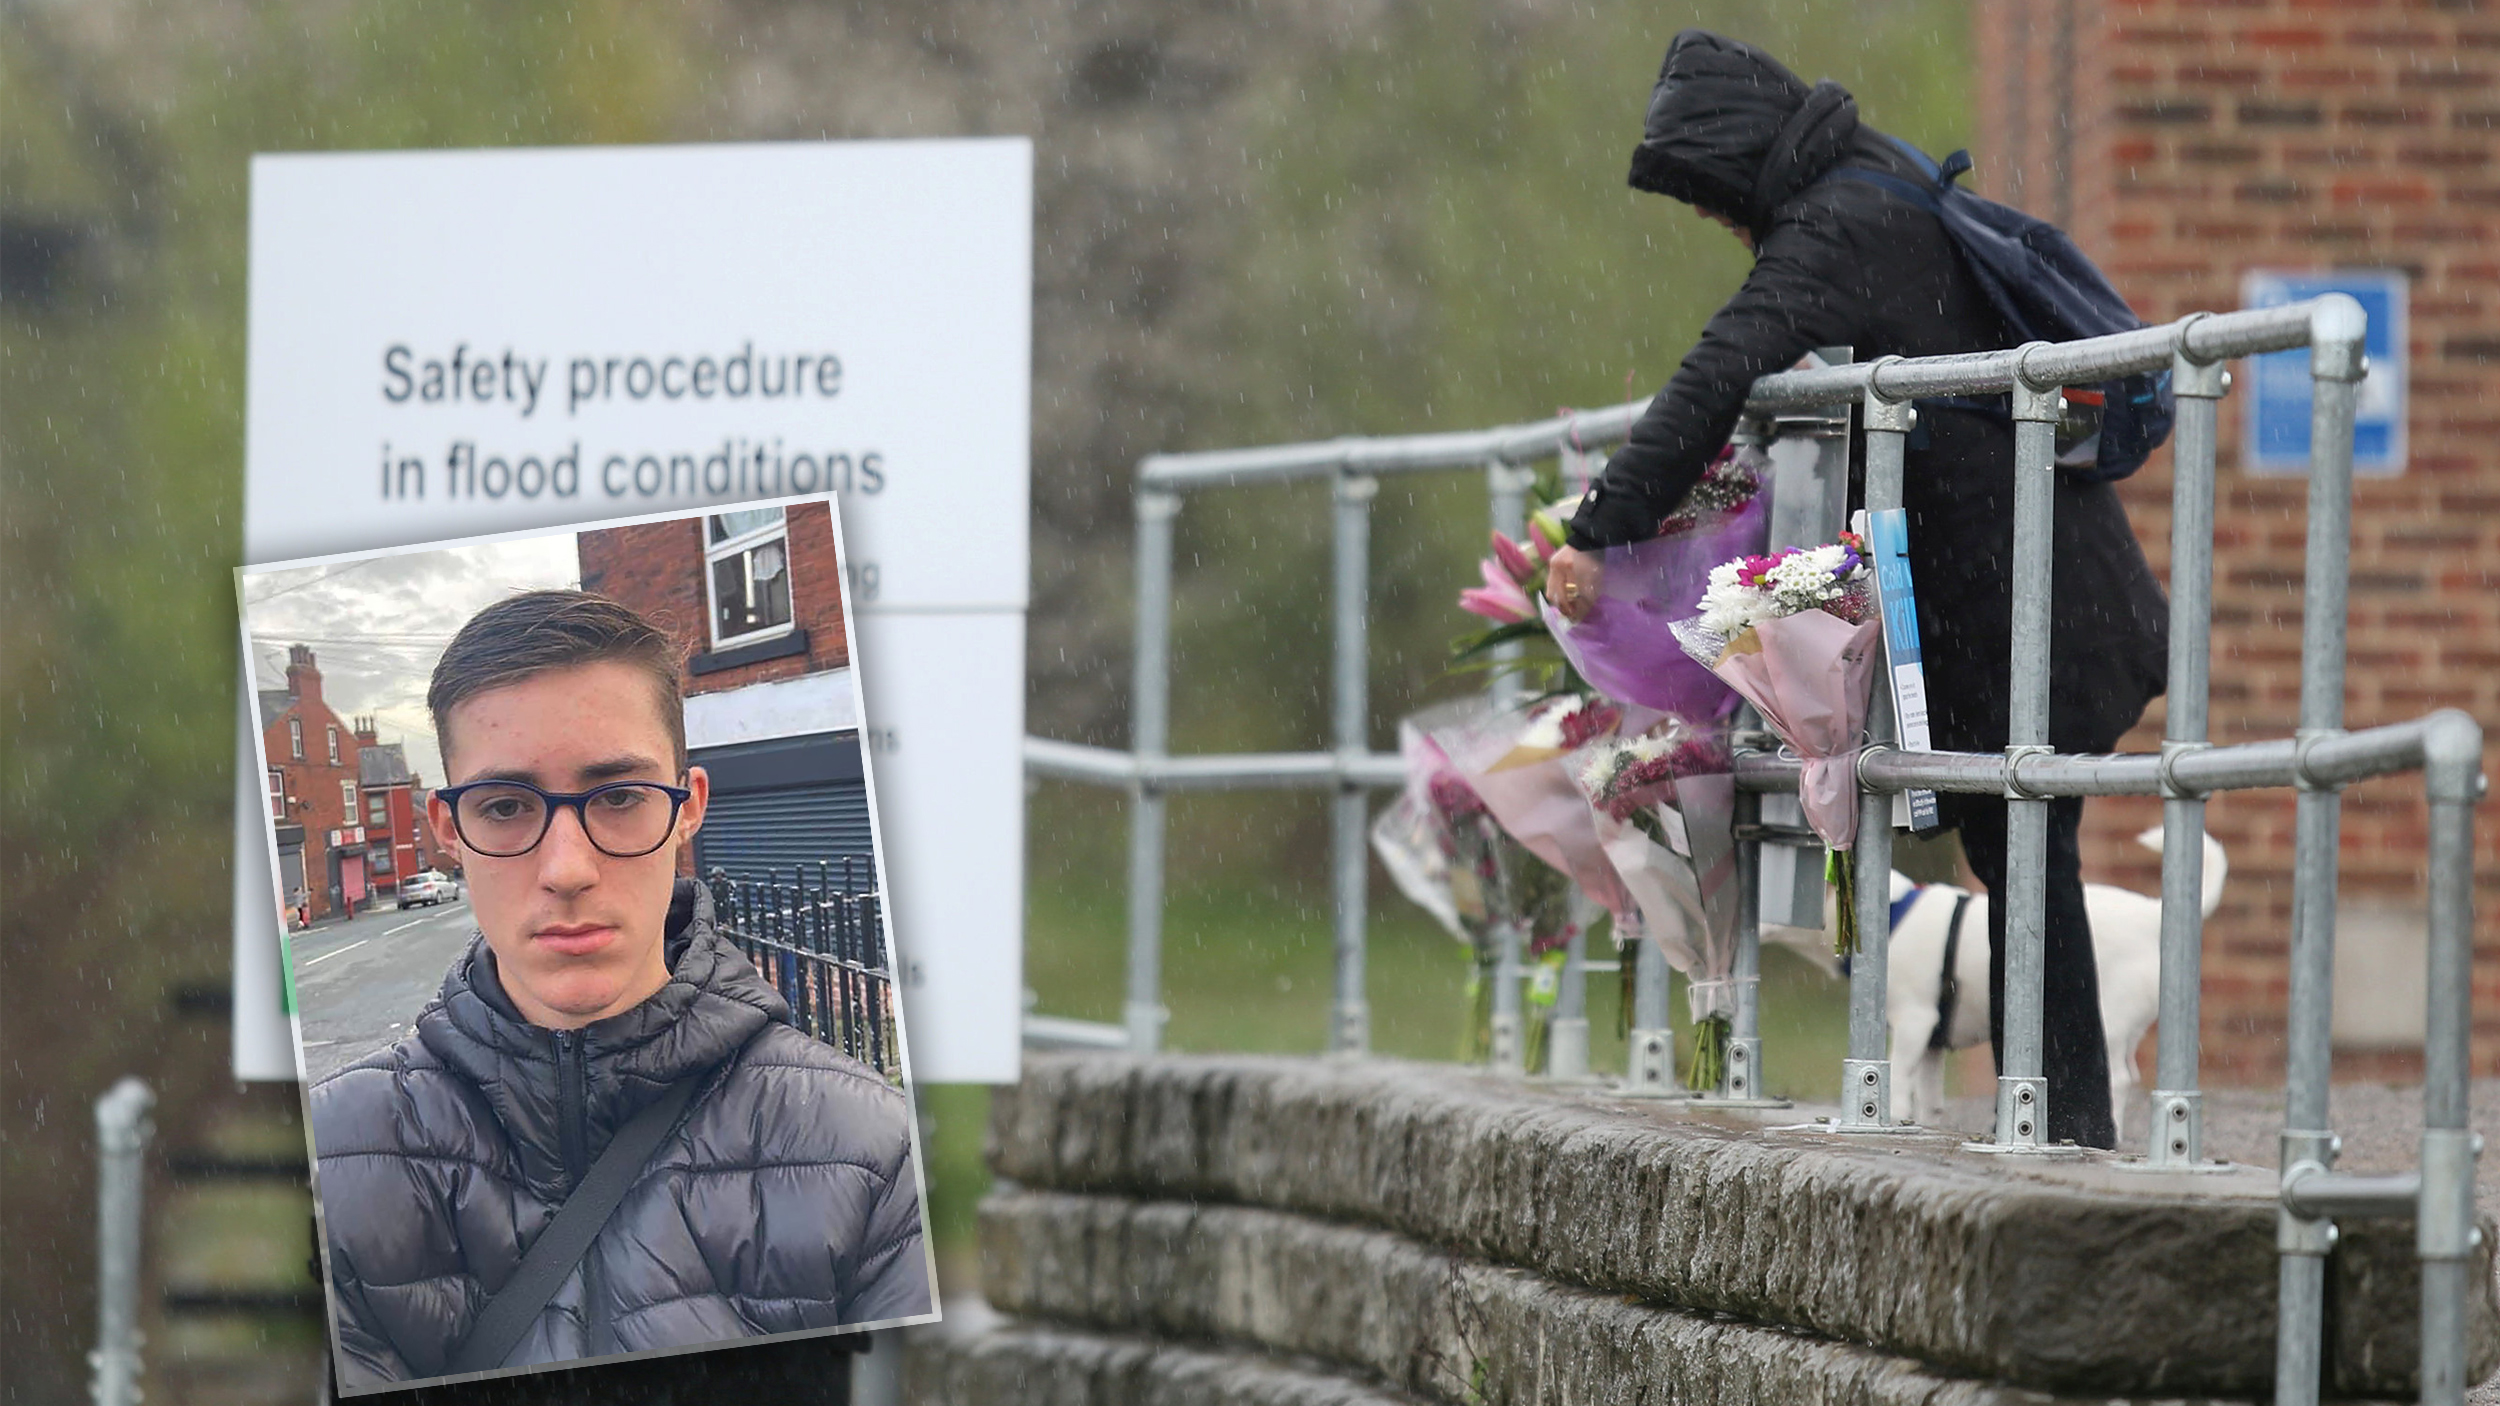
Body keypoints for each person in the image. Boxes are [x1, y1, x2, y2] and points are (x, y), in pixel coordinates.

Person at [1543, 31, 2168, 1149]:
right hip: (2035, 582)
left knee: (2023, 843)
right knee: (2023, 845)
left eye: (1710, 199)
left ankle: (2063, 1126)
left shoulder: (1838, 222)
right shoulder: (1878, 182)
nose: (1720, 225)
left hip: (2020, 597)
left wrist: (1600, 529)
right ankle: (2058, 1120)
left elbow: (1721, 366)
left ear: (1737, 164)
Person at [309, 590, 929, 1386]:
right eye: (505, 806)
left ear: (688, 808)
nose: (567, 869)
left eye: (620, 797)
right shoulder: (329, 1161)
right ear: (448, 829)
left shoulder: (873, 1152)